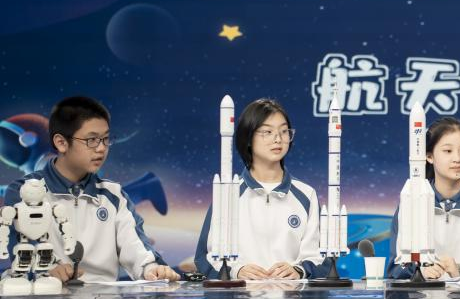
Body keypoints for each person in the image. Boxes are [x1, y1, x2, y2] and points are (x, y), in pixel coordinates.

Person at [2, 96, 178, 282]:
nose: (101, 148)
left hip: (104, 298)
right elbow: (23, 255)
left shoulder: (114, 195)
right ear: (61, 142)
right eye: (92, 140)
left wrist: (151, 269)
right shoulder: (24, 192)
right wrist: (46, 272)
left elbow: (137, 250)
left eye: (106, 139)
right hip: (46, 295)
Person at [194, 98, 328, 280]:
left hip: (292, 296)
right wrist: (236, 271)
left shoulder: (306, 194)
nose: (278, 139)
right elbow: (205, 257)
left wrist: (299, 270)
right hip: (241, 296)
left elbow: (320, 257)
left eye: (284, 131)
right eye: (267, 132)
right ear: (248, 138)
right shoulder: (228, 194)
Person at [388, 117, 460, 280]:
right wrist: (420, 272)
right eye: (448, 151)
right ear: (429, 156)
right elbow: (396, 268)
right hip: (421, 296)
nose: (457, 158)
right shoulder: (411, 206)